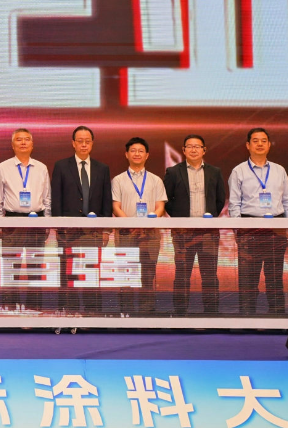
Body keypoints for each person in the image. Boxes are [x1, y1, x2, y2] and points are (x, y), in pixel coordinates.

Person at [228, 128, 288, 315]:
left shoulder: (279, 170)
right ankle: (247, 318)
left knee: (275, 278)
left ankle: (277, 317)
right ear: (248, 145)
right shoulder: (239, 171)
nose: (259, 144)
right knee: (248, 279)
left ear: (269, 145)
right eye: (255, 141)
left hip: (276, 228)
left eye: (263, 141)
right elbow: (234, 204)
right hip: (249, 228)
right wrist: (238, 231)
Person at [50, 126, 112, 313]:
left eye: (87, 141)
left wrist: (106, 229)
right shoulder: (61, 166)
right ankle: (69, 312)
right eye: (80, 141)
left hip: (93, 231)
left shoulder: (102, 168)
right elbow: (56, 199)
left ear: (92, 144)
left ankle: (92, 313)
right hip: (68, 231)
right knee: (68, 273)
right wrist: (59, 227)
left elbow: (106, 200)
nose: (84, 144)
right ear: (73, 143)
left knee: (91, 272)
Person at [164, 134, 226, 316]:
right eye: (189, 146)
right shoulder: (173, 172)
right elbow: (166, 200)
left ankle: (211, 313)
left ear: (204, 150)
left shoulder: (215, 172)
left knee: (209, 274)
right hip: (183, 232)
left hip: (208, 232)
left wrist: (209, 218)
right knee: (182, 274)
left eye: (197, 146)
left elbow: (220, 200)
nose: (193, 149)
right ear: (183, 150)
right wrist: (180, 219)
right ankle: (180, 312)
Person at [0, 128, 52, 310]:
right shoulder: (3, 167)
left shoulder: (41, 168)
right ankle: (9, 308)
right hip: (12, 221)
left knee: (35, 268)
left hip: (37, 221)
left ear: (32, 145)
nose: (23, 142)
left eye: (26, 139)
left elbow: (47, 198)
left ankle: (34, 308)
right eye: (19, 140)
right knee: (11, 267)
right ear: (12, 145)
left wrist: (47, 222)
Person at [111, 137, 167, 315]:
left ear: (147, 155)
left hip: (150, 233)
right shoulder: (118, 180)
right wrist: (130, 224)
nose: (137, 154)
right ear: (126, 154)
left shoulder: (156, 180)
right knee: (125, 273)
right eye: (133, 150)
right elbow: (116, 207)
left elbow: (160, 207)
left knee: (148, 274)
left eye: (141, 151)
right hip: (125, 233)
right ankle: (125, 312)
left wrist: (148, 223)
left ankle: (146, 313)